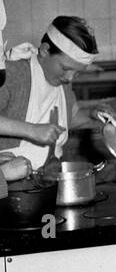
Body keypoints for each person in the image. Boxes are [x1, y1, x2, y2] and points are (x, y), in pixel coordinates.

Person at [0, 15, 99, 178]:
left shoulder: (63, 81)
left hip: (49, 176)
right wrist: (31, 130)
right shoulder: (14, 74)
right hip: (7, 180)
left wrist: (92, 115)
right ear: (45, 50)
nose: (70, 78)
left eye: (77, 72)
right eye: (65, 67)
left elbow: (67, 119)